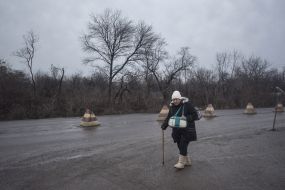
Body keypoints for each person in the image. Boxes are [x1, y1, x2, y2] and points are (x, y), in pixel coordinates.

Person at [161, 90, 198, 169]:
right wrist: (164, 125)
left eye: (176, 99)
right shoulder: (172, 107)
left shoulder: (187, 105)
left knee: (183, 144)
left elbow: (195, 115)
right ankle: (187, 161)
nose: (175, 101)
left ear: (180, 98)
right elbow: (169, 118)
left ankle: (181, 162)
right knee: (180, 145)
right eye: (173, 99)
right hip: (176, 131)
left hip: (187, 130)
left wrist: (187, 118)